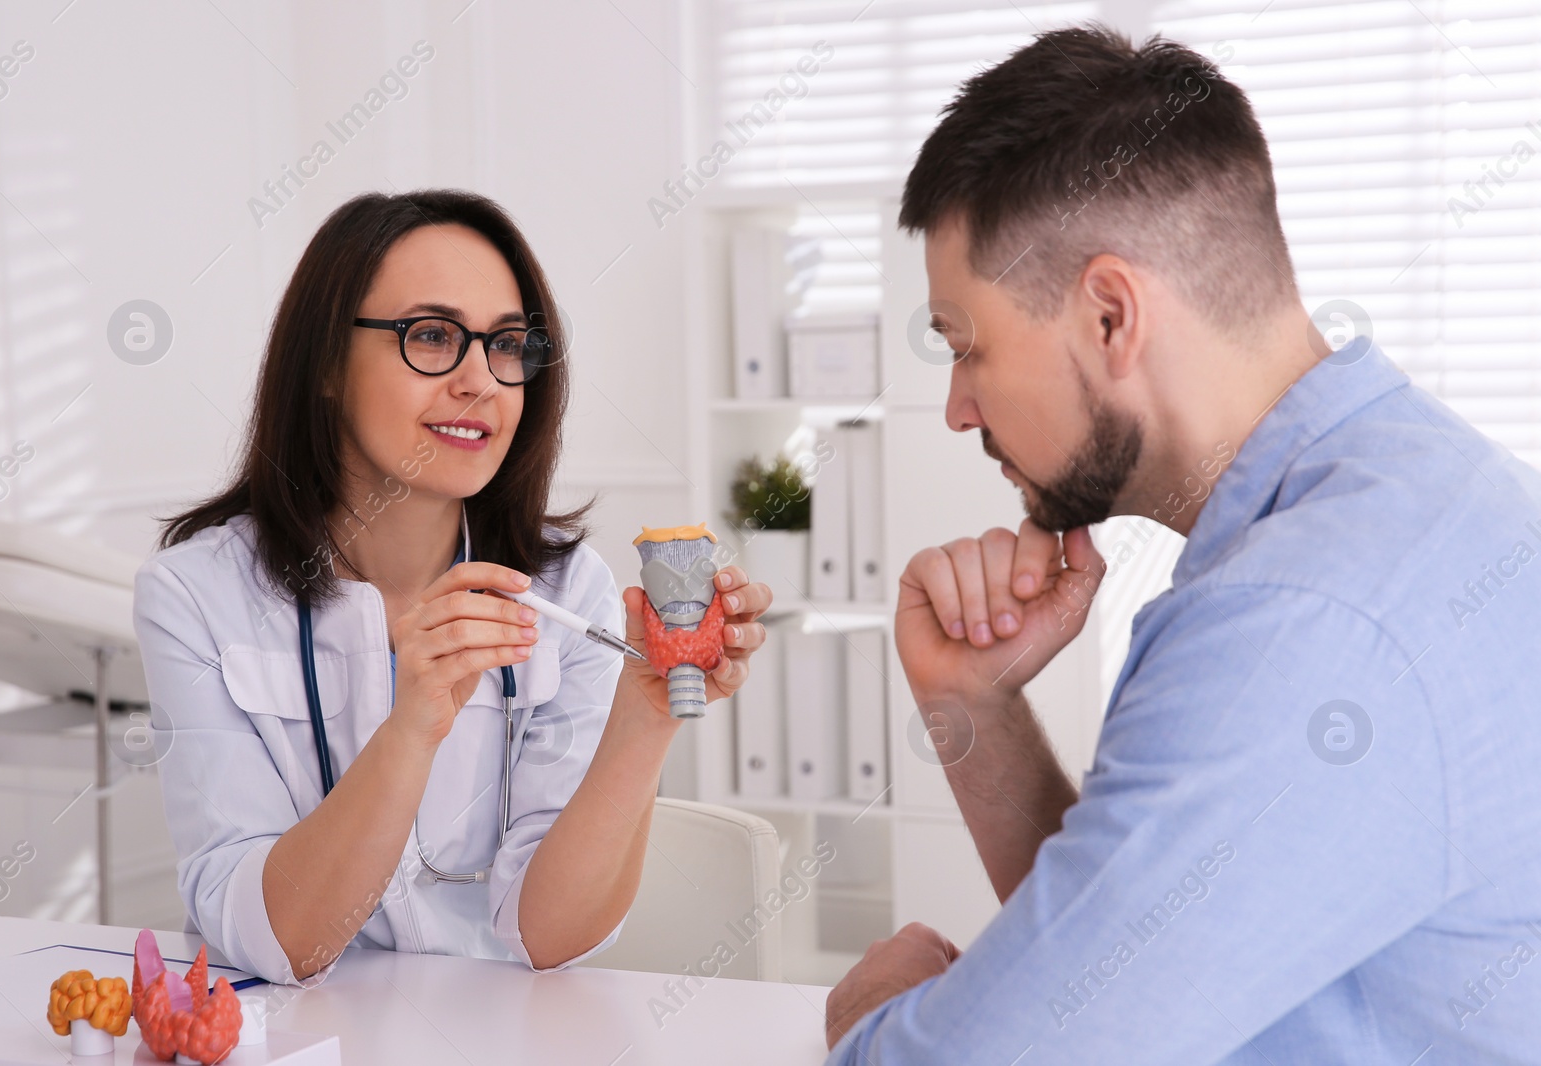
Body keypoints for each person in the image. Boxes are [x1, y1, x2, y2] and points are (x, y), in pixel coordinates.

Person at [824, 26, 1541, 1064]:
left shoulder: (1302, 621)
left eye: (967, 345)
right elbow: (1142, 971)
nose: (956, 407)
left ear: (1111, 315)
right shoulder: (1414, 491)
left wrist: (866, 1019)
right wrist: (971, 706)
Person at [133, 189, 771, 985]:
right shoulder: (194, 597)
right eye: (432, 336)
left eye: (507, 345)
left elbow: (549, 934)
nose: (482, 380)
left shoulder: (569, 592)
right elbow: (280, 941)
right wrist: (411, 728)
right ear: (327, 362)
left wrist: (643, 715)